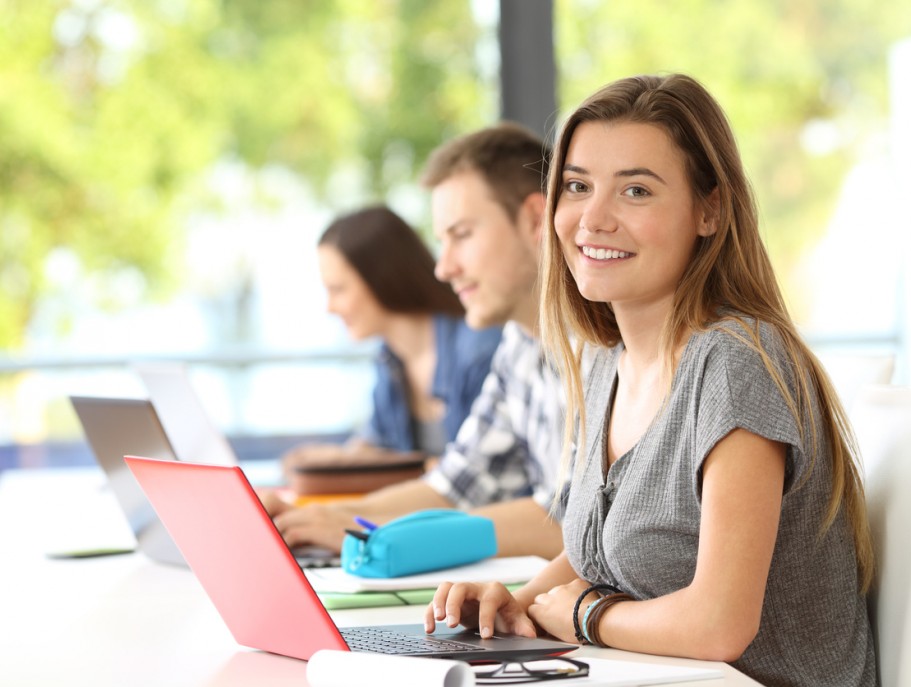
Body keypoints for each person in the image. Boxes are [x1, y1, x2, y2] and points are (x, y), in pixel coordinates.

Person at [426, 74, 878, 687]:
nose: (593, 218)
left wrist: (586, 614)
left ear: (709, 210)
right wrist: (520, 602)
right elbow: (599, 549)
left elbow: (719, 624)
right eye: (578, 186)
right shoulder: (603, 362)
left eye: (636, 190)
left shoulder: (735, 363)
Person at [265, 123, 568, 559]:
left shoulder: (606, 348)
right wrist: (335, 517)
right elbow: (454, 486)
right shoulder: (518, 348)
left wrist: (374, 532)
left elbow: (577, 524)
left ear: (536, 220)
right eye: (441, 241)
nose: (443, 269)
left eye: (461, 235)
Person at [280, 206, 501, 477]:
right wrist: (335, 459)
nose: (330, 308)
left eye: (337, 289)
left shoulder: (480, 350)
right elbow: (378, 444)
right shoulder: (390, 359)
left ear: (381, 278)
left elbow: (476, 475)